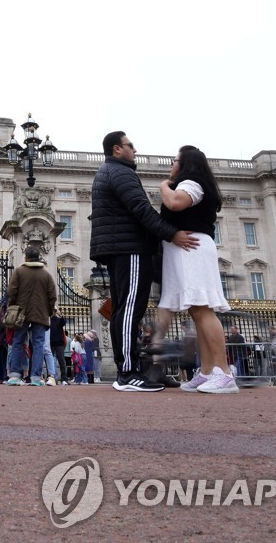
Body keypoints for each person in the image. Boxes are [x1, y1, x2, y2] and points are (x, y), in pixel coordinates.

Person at [90, 131, 199, 392]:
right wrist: (171, 234)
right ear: (117, 149)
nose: (135, 150)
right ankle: (127, 373)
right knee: (129, 310)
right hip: (130, 248)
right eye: (131, 146)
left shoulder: (112, 171)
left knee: (122, 310)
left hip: (120, 247)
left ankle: (138, 370)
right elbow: (141, 210)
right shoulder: (120, 172)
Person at [155, 145, 237, 394]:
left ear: (186, 163)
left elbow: (176, 203)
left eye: (175, 160)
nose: (172, 164)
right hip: (185, 251)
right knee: (196, 311)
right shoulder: (194, 182)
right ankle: (206, 372)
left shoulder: (192, 182)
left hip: (193, 249)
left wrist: (163, 186)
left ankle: (223, 372)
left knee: (203, 309)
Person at [5, 246, 56, 387]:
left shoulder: (19, 272)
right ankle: (35, 377)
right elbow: (52, 296)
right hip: (40, 313)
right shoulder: (46, 275)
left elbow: (12, 291)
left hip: (21, 312)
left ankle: (15, 375)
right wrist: (50, 311)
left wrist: (12, 306)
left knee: (17, 342)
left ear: (26, 258)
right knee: (39, 344)